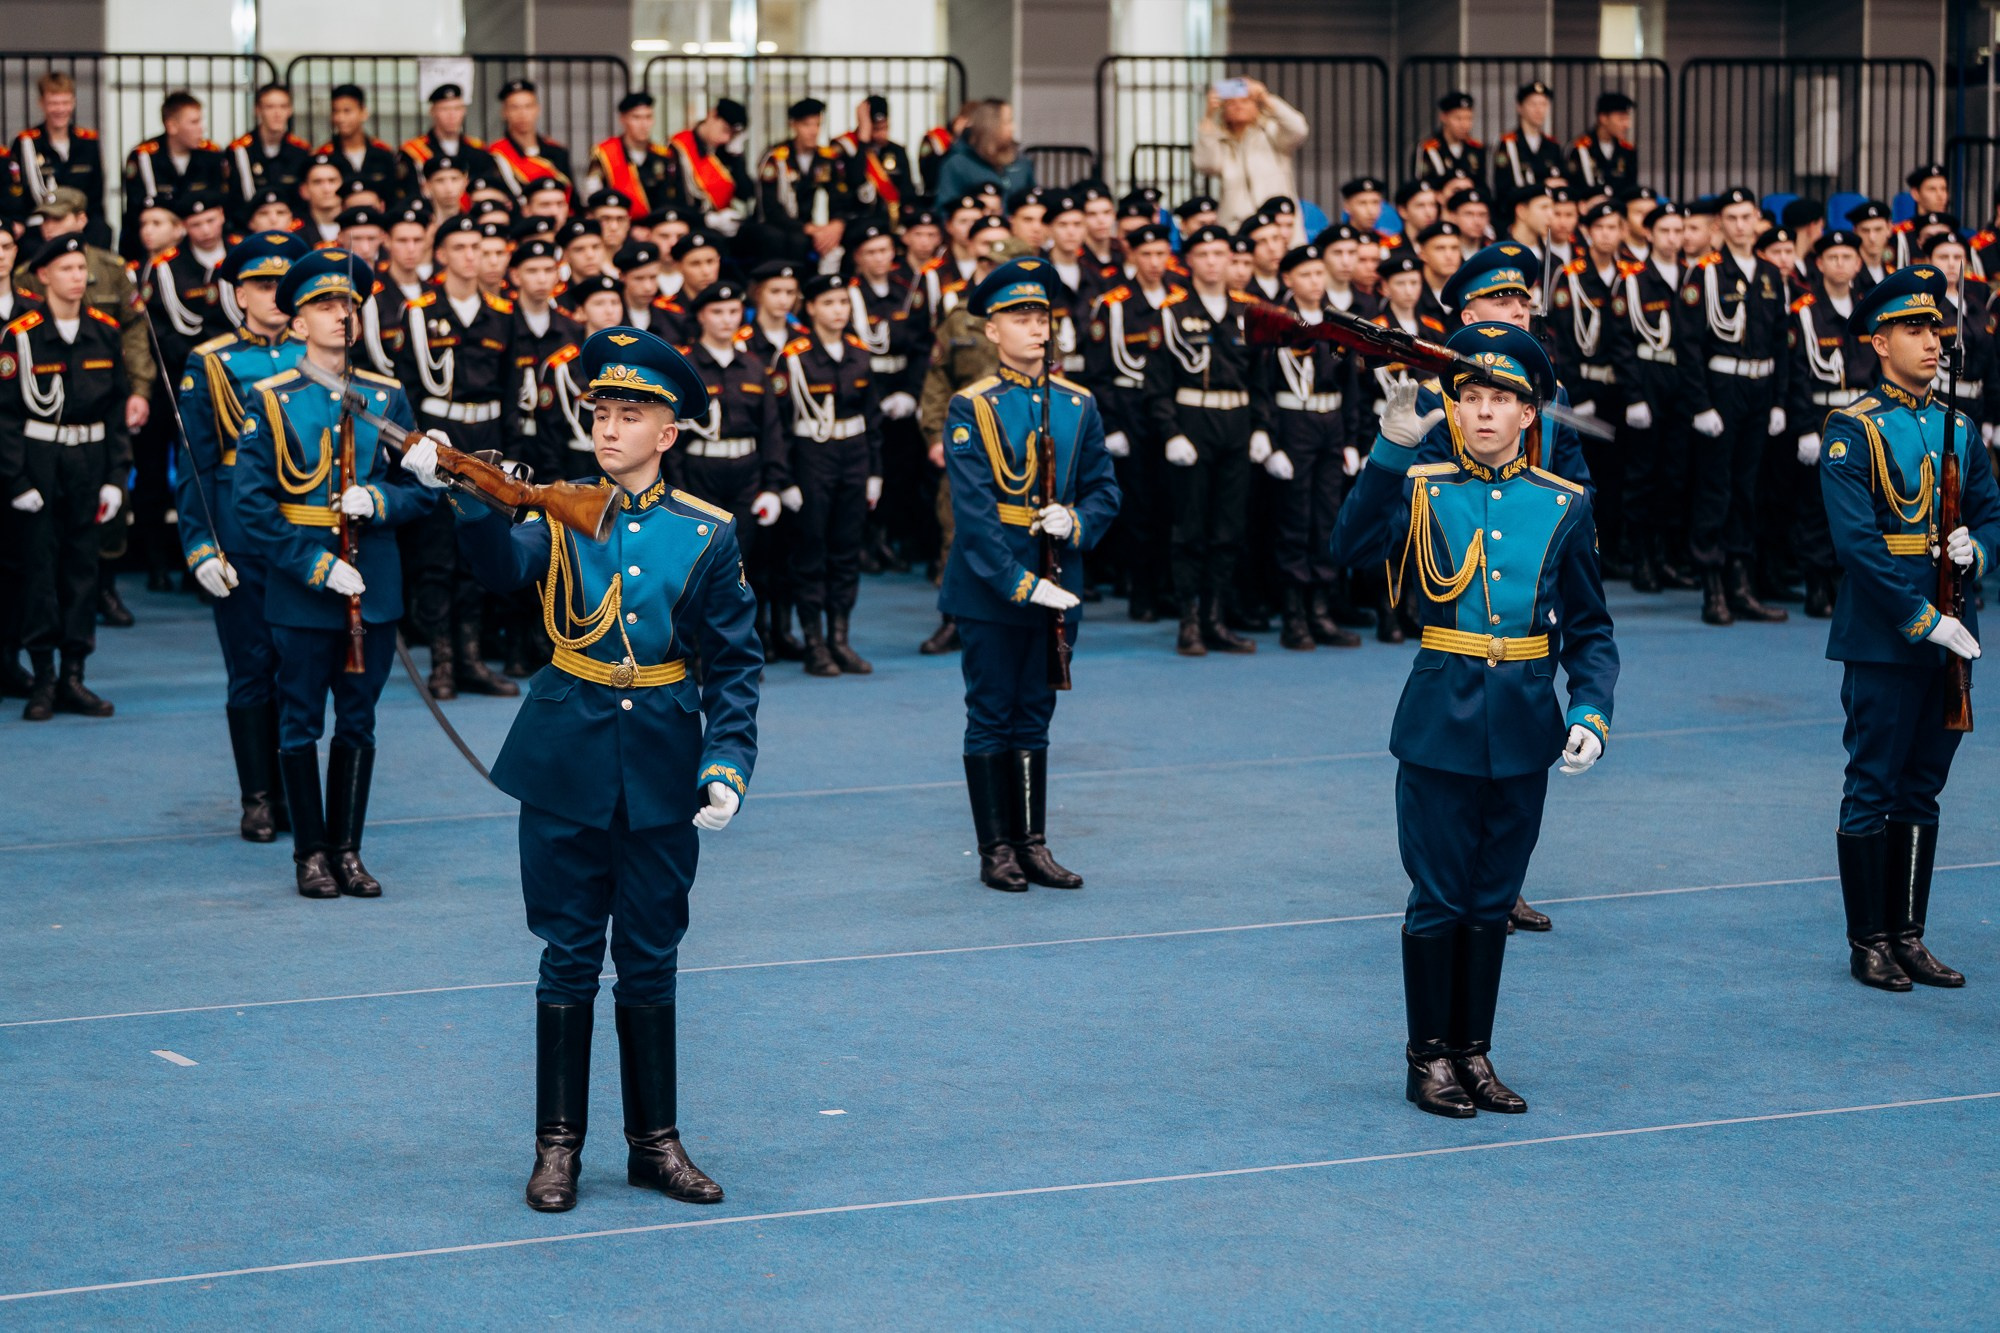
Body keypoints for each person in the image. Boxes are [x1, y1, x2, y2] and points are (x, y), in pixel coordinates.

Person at [401, 325, 760, 1212]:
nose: (607, 427)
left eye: (629, 414)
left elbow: (736, 660)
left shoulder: (705, 534)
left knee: (649, 957)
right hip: (565, 757)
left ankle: (654, 1144)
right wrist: (463, 492)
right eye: (600, 410)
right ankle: (557, 1145)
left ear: (668, 433)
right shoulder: (559, 512)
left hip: (665, 760)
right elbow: (499, 570)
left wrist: (726, 759)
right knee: (567, 954)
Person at [1332, 321, 1617, 1119]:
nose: (1485, 413)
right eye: (1472, 398)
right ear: (1453, 408)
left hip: (1526, 724)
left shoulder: (1563, 504)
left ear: (1531, 415)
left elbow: (1591, 629)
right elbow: (1349, 547)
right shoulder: (1421, 486)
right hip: (1440, 722)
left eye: (1503, 400)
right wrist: (1389, 450)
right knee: (1439, 897)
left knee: (1492, 899)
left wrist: (1591, 708)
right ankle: (1428, 1057)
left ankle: (1474, 1051)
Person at [231, 249, 436, 896]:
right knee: (298, 720)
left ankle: (348, 850)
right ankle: (309, 854)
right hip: (302, 585)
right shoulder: (268, 398)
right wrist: (315, 564)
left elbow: (423, 491)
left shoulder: (385, 395)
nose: (342, 315)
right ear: (296, 324)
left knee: (359, 719)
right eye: (325, 306)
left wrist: (378, 500)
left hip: (371, 581)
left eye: (349, 304)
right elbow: (252, 507)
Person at [1819, 263, 2000, 992]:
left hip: (1955, 627)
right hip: (1887, 633)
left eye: (1936, 329)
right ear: (1879, 339)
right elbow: (1857, 545)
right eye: (1915, 329)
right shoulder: (1851, 429)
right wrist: (1924, 619)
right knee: (1873, 782)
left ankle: (1908, 934)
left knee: (1922, 785)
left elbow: (1989, 509)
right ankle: (1869, 940)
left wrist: (1977, 549)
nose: (1931, 342)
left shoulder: (1959, 426)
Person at [941, 257, 1119, 892]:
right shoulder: (972, 408)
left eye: (1041, 315)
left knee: (1035, 714)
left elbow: (1104, 487)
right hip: (994, 585)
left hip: (1057, 575)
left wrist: (1076, 521)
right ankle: (996, 849)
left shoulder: (1077, 404)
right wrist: (1022, 584)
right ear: (992, 330)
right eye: (1020, 317)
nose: (1035, 328)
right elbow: (975, 515)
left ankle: (1033, 843)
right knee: (991, 710)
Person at [175, 231, 310, 840]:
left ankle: (295, 793)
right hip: (240, 528)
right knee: (251, 665)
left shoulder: (320, 360)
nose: (274, 296)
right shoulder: (212, 361)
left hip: (306, 528)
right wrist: (200, 544)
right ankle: (258, 797)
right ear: (238, 293)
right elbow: (196, 464)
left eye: (283, 285)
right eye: (261, 285)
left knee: (301, 666)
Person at [0, 234, 130, 720]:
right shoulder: (22, 335)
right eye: (68, 268)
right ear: (43, 276)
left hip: (90, 460)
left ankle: (74, 675)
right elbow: (6, 415)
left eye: (82, 268)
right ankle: (43, 678)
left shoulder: (105, 330)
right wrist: (15, 480)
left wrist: (117, 476)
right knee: (39, 575)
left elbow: (117, 410)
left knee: (82, 572)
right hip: (40, 461)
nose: (78, 277)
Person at [394, 213, 522, 699]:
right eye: (461, 246)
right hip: (439, 441)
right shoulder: (419, 313)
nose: (472, 255)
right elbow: (404, 385)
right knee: (436, 554)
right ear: (441, 255)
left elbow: (511, 392)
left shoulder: (502, 315)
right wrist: (419, 441)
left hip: (487, 437)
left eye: (478, 246)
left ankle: (470, 658)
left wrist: (510, 455)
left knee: (477, 551)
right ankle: (442, 661)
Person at [1144, 223, 1271, 654]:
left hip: (1236, 421)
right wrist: (1171, 432)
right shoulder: (1172, 311)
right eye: (1205, 254)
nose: (1214, 262)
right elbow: (1156, 385)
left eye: (1222, 254)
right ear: (1190, 261)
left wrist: (1260, 428)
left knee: (1229, 528)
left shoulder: (1251, 312)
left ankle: (1216, 617)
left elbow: (1262, 379)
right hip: (1192, 420)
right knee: (1190, 527)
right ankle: (1189, 620)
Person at [1680, 186, 1791, 626]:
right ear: (1719, 225)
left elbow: (1782, 343)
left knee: (1748, 488)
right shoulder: (1705, 274)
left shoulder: (1770, 272)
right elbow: (1688, 347)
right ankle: (1713, 586)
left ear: (1758, 221)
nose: (1741, 226)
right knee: (1715, 488)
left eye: (1748, 217)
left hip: (1760, 389)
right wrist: (1701, 404)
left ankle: (1741, 584)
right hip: (1721, 388)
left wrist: (1779, 401)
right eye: (1732, 218)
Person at [774, 273, 883, 675]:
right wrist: (784, 480)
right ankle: (815, 643)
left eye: (843, 303)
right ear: (812, 308)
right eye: (830, 303)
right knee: (811, 550)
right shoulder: (795, 357)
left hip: (853, 454)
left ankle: (841, 639)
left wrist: (875, 470)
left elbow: (872, 417)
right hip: (812, 457)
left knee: (846, 550)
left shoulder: (859, 352)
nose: (839, 311)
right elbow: (782, 426)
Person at [918, 233, 1020, 655]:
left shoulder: (1035, 321)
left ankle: (1009, 616)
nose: (986, 275)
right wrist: (934, 435)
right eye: (983, 266)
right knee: (956, 530)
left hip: (1019, 441)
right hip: (967, 439)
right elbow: (938, 381)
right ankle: (953, 621)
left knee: (1016, 531)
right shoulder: (959, 317)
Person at [1265, 241, 1366, 651]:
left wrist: (1352, 439)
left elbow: (1352, 386)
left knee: (1327, 518)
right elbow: (1263, 385)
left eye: (1317, 273)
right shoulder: (1274, 321)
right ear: (1288, 279)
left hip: (1331, 424)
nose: (1314, 281)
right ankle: (1293, 616)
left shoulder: (1336, 322)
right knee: (1294, 519)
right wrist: (1269, 439)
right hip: (1292, 423)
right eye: (1305, 274)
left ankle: (1320, 611)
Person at [672, 280, 784, 608]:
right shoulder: (685, 366)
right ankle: (694, 646)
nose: (727, 319)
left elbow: (771, 429)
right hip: (699, 473)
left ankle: (731, 643)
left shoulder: (752, 365)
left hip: (746, 474)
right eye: (717, 312)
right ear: (701, 316)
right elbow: (672, 435)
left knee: (741, 559)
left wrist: (774, 485)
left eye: (734, 311)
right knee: (698, 562)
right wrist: (676, 490)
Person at [1787, 229, 1876, 619]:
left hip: (1863, 418)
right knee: (1814, 505)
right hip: (1822, 416)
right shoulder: (1804, 311)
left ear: (1858, 263)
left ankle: (1845, 580)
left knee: (1858, 505)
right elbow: (1796, 375)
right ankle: (1816, 582)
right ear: (1819, 264)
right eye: (1832, 257)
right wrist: (1806, 428)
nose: (1840, 264)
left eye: (1847, 257)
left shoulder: (1872, 311)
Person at [1547, 201, 1640, 564]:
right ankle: (1587, 547)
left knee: (1620, 470)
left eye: (1613, 226)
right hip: (1585, 386)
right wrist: (1579, 392)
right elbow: (1564, 340)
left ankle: (1616, 546)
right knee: (1586, 472)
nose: (1606, 234)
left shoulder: (1630, 276)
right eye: (1599, 227)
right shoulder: (1570, 276)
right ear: (1587, 232)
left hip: (1619, 388)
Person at [1619, 201, 1701, 595]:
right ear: (1649, 234)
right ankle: (1642, 559)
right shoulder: (1633, 280)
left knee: (1676, 474)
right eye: (1665, 230)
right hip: (1648, 377)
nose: (1674, 238)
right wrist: (1634, 395)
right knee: (1643, 474)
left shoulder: (1695, 277)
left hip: (1683, 381)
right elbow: (1620, 343)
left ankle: (1667, 556)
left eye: (1678, 230)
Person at [120, 91, 227, 265]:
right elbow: (141, 207)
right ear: (172, 126)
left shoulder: (211, 154)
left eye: (200, 120)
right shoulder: (144, 156)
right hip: (162, 237)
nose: (202, 128)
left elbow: (219, 200)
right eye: (194, 122)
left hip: (198, 230)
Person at [9, 72, 110, 249]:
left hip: (81, 222)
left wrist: (75, 221)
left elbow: (96, 194)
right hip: (42, 222)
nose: (60, 109)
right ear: (41, 104)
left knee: (102, 231)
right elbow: (19, 194)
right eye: (53, 103)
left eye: (65, 103)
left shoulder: (88, 142)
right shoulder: (26, 143)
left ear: (73, 103)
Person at [1192, 79, 1307, 233]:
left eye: (1245, 101)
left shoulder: (1270, 132)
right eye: (1231, 103)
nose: (1238, 106)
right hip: (1237, 229)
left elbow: (1298, 130)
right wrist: (1208, 118)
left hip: (1280, 227)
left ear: (1256, 106)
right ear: (1223, 109)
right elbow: (1206, 164)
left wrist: (1266, 98)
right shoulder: (1220, 139)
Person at [752, 99, 851, 270]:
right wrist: (809, 229)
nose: (813, 131)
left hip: (811, 225)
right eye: (807, 125)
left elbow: (839, 196)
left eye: (818, 124)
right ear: (794, 125)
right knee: (784, 239)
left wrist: (836, 224)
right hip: (780, 225)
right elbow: (769, 208)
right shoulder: (776, 157)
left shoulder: (826, 158)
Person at [587, 91, 684, 219]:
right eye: (636, 118)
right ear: (623, 119)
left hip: (658, 228)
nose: (644, 125)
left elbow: (674, 197)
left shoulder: (664, 155)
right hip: (620, 227)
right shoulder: (605, 154)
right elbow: (592, 196)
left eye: (648, 117)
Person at [670, 100, 754, 244]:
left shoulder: (726, 151)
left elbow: (746, 193)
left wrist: (736, 157)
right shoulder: (680, 149)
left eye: (732, 135)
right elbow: (676, 198)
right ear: (712, 115)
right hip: (693, 224)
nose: (726, 138)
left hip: (727, 226)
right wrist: (707, 219)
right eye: (725, 130)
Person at [931, 99, 1033, 208]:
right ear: (991, 125)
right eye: (1008, 122)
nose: (1013, 128)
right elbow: (944, 209)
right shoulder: (958, 165)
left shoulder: (1020, 162)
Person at [398, 83, 495, 196]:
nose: (451, 115)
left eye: (457, 108)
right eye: (444, 109)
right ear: (432, 112)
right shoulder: (413, 151)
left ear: (464, 111)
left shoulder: (478, 148)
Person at [489, 80, 575, 206]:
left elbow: (572, 198)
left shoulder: (557, 152)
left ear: (537, 109)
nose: (522, 114)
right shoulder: (494, 154)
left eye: (528, 106)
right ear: (504, 112)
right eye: (515, 107)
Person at [318, 84, 400, 208]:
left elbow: (394, 197)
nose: (340, 118)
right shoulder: (323, 155)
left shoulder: (384, 154)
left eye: (347, 111)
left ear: (363, 113)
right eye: (336, 111)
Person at [1494, 80, 1563, 210]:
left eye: (1543, 104)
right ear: (1520, 107)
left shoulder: (1552, 145)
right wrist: (1544, 185)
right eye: (1533, 104)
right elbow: (1503, 190)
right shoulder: (1508, 144)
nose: (1539, 110)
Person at [1566, 91, 1637, 193]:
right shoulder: (1580, 148)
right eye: (1621, 119)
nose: (1627, 125)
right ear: (1603, 118)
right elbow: (1574, 188)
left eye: (1627, 119)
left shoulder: (1627, 150)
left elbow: (1631, 189)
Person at [1412, 91, 1485, 186]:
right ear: (1444, 117)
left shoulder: (1476, 149)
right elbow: (1421, 186)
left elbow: (1483, 185)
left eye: (1469, 118)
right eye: (1458, 119)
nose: (1464, 125)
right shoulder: (1429, 149)